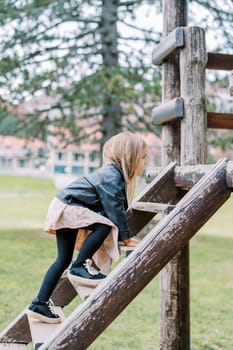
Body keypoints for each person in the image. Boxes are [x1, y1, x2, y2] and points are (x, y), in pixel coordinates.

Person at [27, 131, 148, 324]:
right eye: (143, 158)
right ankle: (79, 266)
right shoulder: (112, 175)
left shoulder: (111, 173)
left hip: (63, 205)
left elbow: (113, 205)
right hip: (68, 207)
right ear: (130, 158)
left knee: (62, 259)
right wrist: (124, 237)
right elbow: (115, 209)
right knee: (104, 225)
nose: (145, 163)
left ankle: (39, 304)